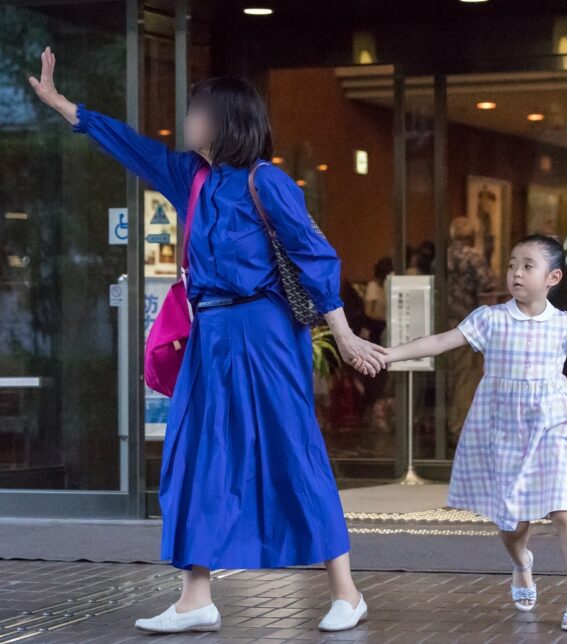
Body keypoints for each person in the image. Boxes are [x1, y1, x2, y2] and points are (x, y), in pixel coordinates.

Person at [30, 47, 385, 634]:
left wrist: (344, 336)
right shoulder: (190, 178)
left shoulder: (265, 181)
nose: (186, 119)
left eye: (196, 110)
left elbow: (315, 257)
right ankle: (196, 598)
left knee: (291, 451)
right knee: (195, 458)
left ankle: (346, 591)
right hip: (211, 335)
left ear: (225, 120)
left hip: (267, 332)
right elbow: (129, 145)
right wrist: (62, 105)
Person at [364, 235, 567, 631]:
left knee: (565, 510)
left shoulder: (566, 324)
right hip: (503, 430)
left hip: (551, 426)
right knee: (512, 524)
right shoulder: (489, 318)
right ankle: (522, 562)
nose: (516, 273)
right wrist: (390, 353)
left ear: (553, 277)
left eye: (528, 266)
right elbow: (442, 341)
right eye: (512, 265)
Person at [446, 217, 497, 444]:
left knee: (453, 375)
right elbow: (488, 285)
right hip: (468, 323)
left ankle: (450, 423)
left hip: (445, 323)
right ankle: (460, 427)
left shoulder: (443, 258)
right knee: (467, 377)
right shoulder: (474, 258)